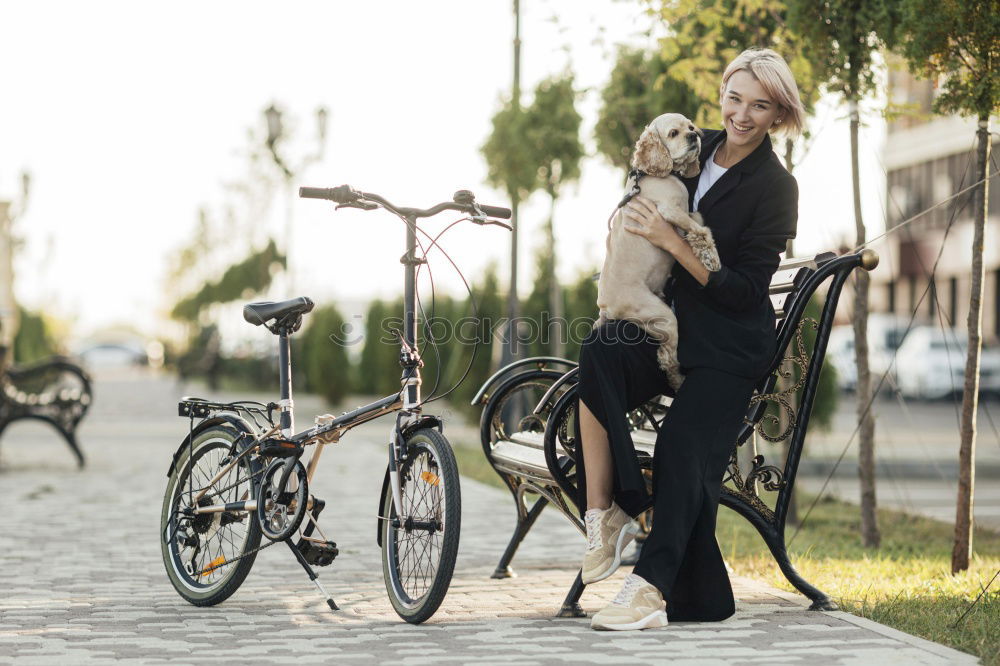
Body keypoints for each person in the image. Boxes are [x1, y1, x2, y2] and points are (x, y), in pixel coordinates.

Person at [577, 47, 805, 631]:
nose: (743, 115)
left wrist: (676, 243)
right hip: (674, 333)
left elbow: (746, 290)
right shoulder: (691, 143)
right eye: (735, 98)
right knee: (597, 353)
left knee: (682, 443)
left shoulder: (776, 188)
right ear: (722, 92)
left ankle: (648, 589)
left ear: (779, 114)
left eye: (761, 106)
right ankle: (618, 515)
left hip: (730, 348)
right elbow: (642, 185)